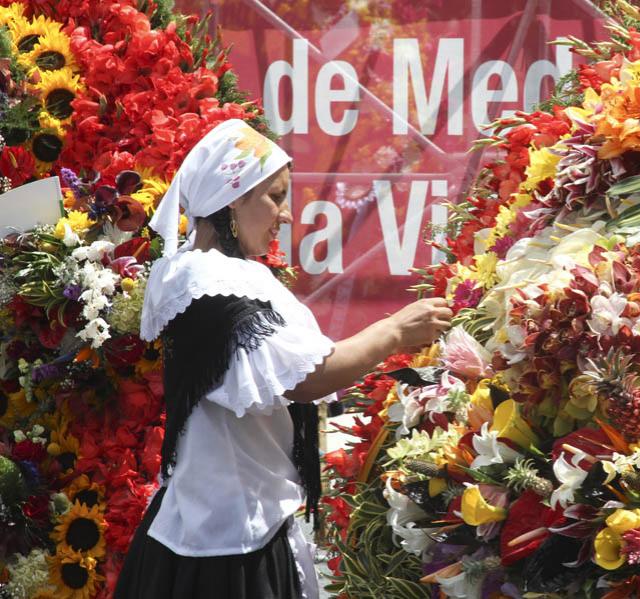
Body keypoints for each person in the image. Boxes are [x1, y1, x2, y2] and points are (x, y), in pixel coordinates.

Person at [114, 119, 452, 599]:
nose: (287, 215)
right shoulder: (204, 281)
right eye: (275, 196)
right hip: (225, 547)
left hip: (238, 525)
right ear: (233, 197)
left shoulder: (217, 273)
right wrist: (393, 331)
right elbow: (306, 377)